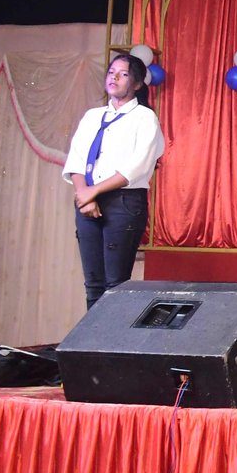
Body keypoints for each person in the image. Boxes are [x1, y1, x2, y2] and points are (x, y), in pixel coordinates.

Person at [63, 53, 166, 310]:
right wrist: (85, 195)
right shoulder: (92, 116)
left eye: (123, 74)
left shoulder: (144, 117)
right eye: (111, 72)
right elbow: (76, 158)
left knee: (115, 284)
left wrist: (93, 191)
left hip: (123, 202)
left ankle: (112, 336)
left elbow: (137, 166)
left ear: (137, 83)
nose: (114, 78)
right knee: (93, 284)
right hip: (87, 201)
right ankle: (92, 336)